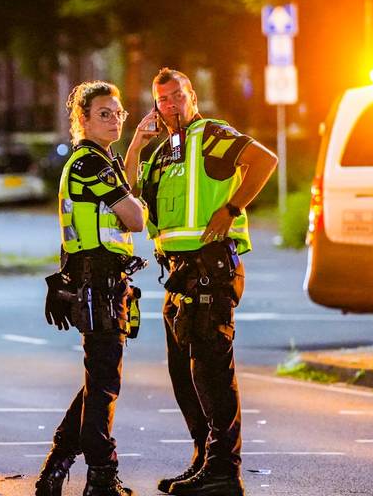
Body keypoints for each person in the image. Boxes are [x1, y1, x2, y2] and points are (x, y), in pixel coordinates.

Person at [123, 69, 277, 496]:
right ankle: (203, 459)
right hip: (177, 275)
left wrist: (231, 208)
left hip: (211, 268)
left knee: (210, 371)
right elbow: (129, 194)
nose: (170, 106)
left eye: (177, 97)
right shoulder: (160, 153)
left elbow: (265, 160)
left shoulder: (211, 133)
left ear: (192, 96)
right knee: (183, 374)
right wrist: (137, 143)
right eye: (162, 100)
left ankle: (224, 470)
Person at [36, 80, 145, 496]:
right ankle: (99, 474)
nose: (115, 119)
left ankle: (57, 467)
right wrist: (138, 208)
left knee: (98, 378)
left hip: (97, 277)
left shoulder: (99, 160)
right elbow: (134, 218)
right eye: (104, 113)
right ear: (82, 119)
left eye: (119, 112)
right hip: (97, 278)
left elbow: (124, 202)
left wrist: (133, 151)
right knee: (103, 382)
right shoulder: (91, 164)